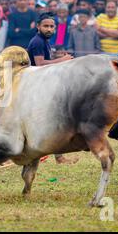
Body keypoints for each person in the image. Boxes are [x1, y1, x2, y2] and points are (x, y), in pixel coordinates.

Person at [27, 13, 76, 164]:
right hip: (36, 87)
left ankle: (57, 156)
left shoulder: (44, 41)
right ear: (38, 27)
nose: (49, 29)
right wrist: (63, 60)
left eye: (51, 26)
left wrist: (58, 58)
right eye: (45, 26)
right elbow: (40, 64)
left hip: (42, 85)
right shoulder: (37, 42)